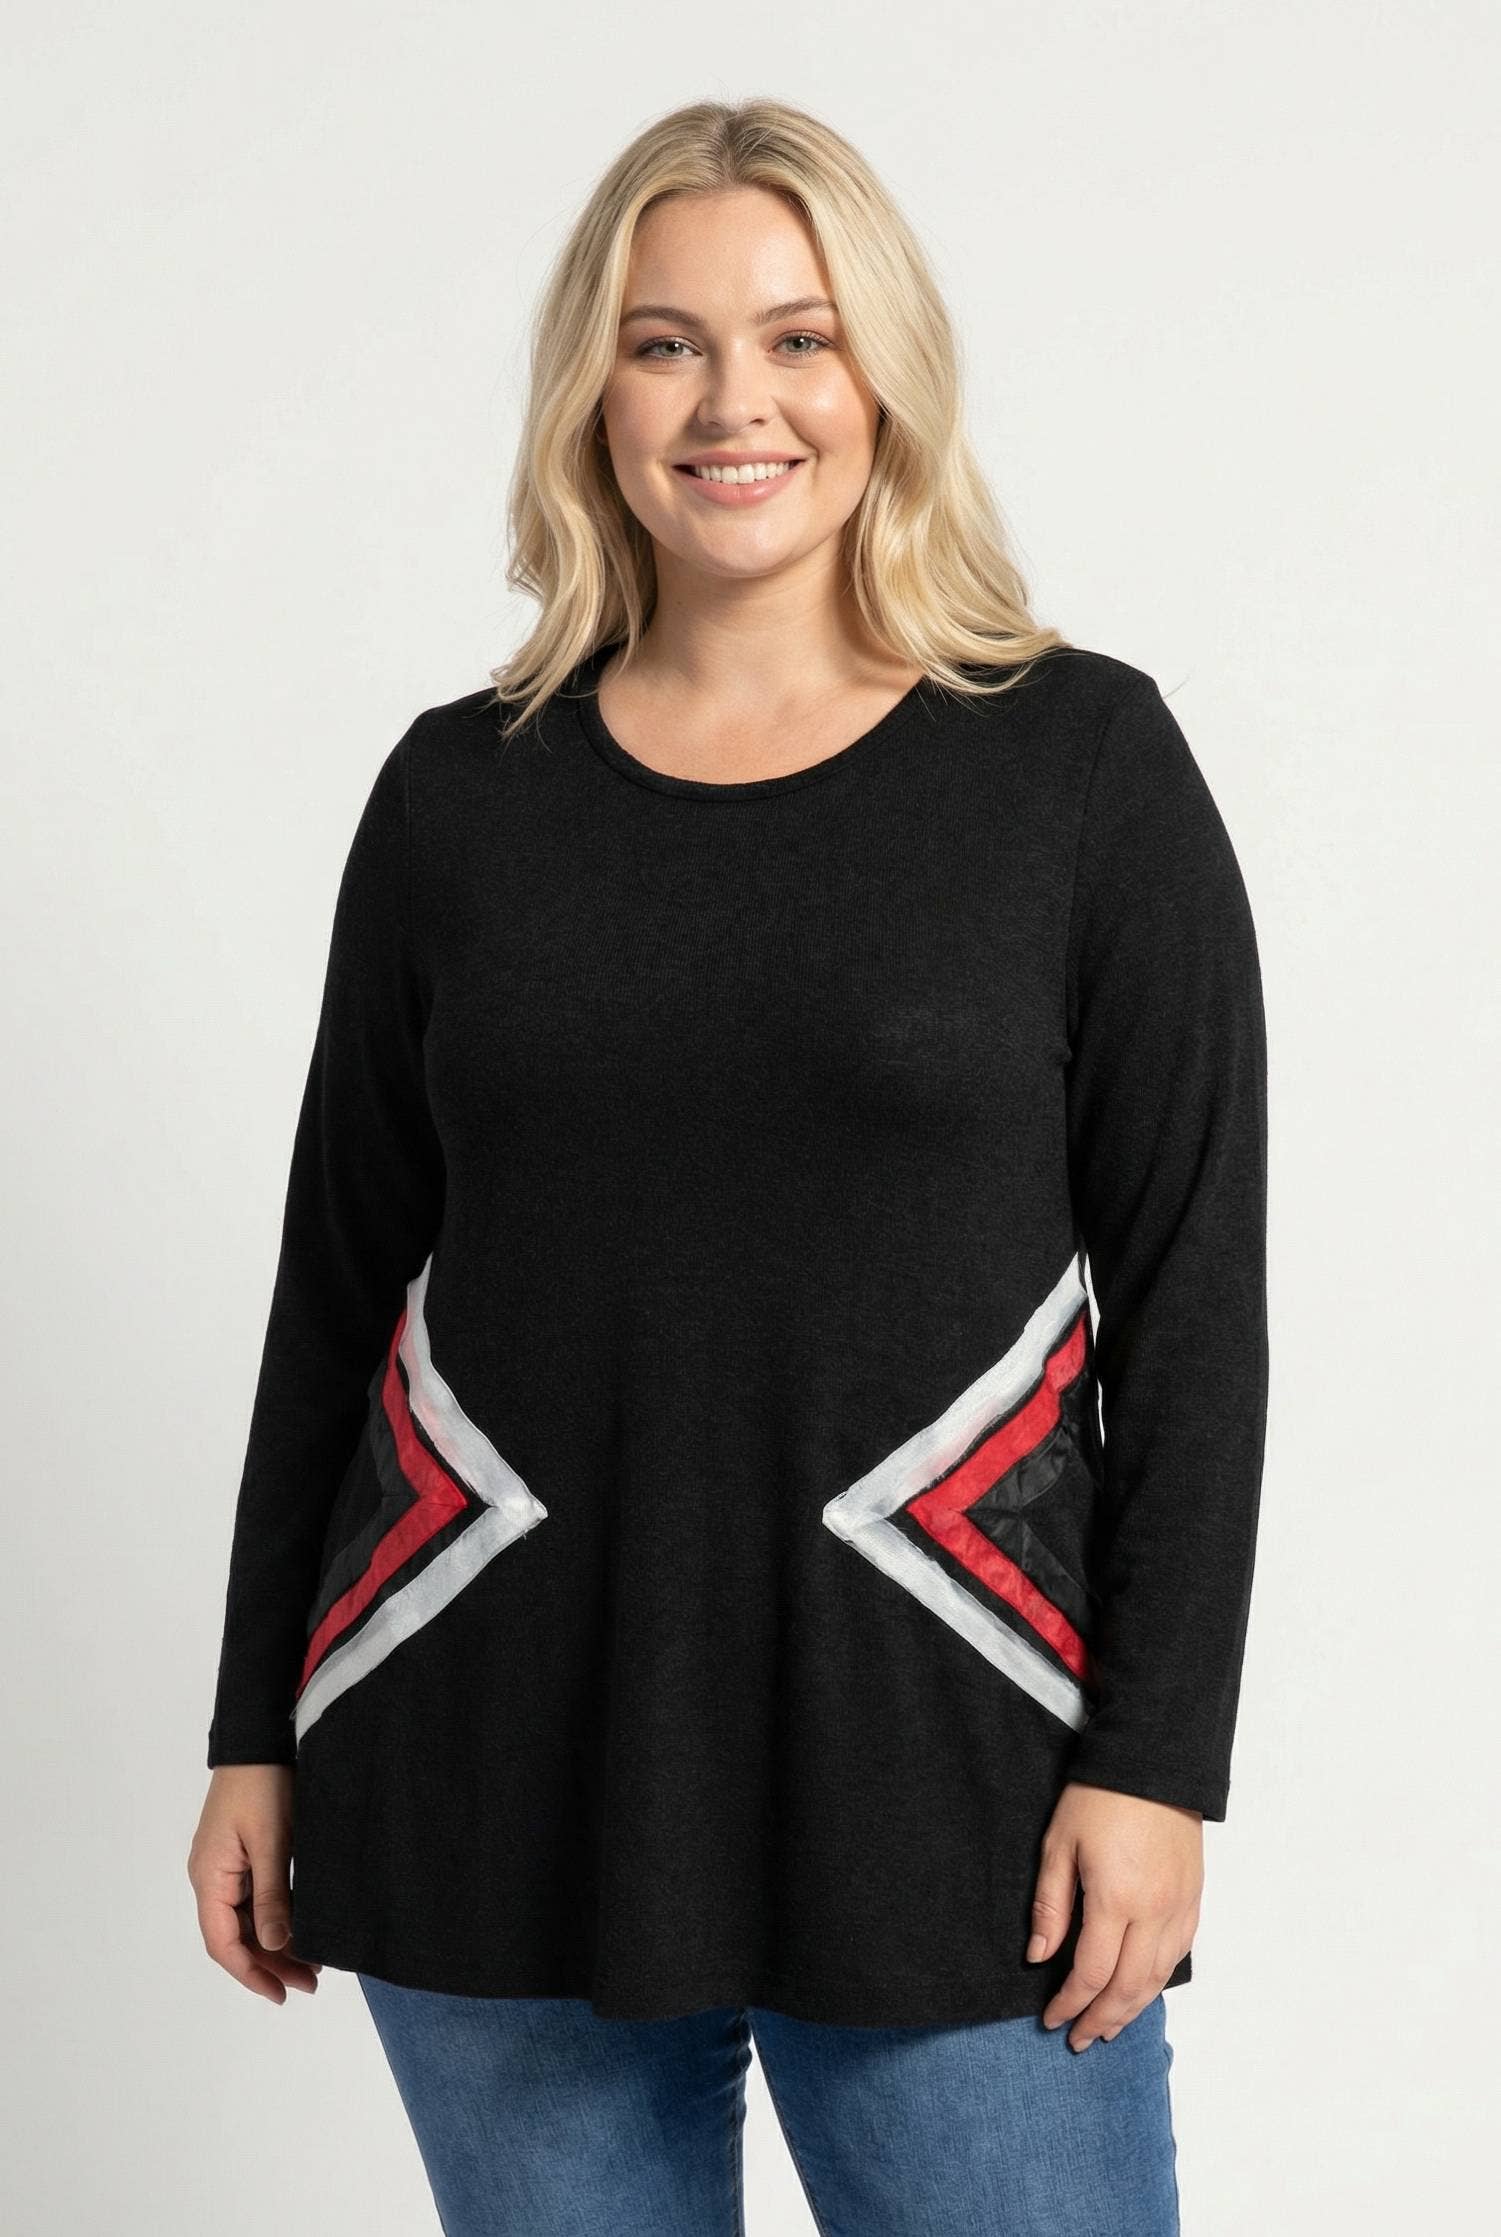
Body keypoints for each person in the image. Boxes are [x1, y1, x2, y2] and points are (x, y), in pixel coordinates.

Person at [187, 96, 1268, 2237]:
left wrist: (1154, 1764)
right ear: (592, 394)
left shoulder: (1079, 766)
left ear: (887, 378)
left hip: (951, 1780)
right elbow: (337, 1284)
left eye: (797, 337)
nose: (731, 402)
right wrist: (251, 1729)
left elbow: (1192, 1303)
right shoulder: (457, 799)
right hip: (492, 1758)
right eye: (663, 342)